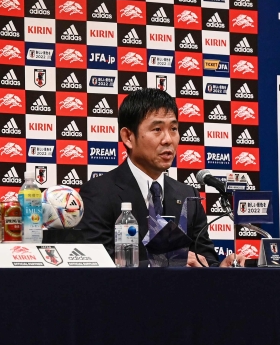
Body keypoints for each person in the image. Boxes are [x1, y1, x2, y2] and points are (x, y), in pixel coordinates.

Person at [78, 88, 234, 267]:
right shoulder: (98, 193)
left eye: (174, 129)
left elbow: (204, 258)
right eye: (157, 129)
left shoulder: (186, 194)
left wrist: (221, 269)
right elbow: (95, 263)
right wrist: (161, 265)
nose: (168, 139)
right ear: (128, 137)